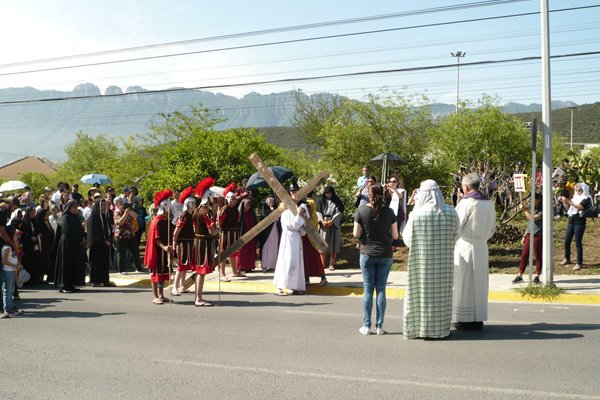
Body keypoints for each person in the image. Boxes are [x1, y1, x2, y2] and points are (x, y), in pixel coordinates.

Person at [402, 180, 459, 339]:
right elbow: (457, 234)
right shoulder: (451, 212)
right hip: (443, 263)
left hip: (421, 263)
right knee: (441, 296)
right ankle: (439, 329)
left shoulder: (417, 214)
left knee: (419, 294)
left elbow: (407, 240)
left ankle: (419, 329)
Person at [453, 173, 496, 331]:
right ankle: (478, 318)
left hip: (465, 245)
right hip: (482, 246)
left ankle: (464, 319)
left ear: (465, 187)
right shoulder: (489, 203)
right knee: (479, 283)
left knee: (465, 283)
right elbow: (492, 228)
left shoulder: (466, 203)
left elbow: (457, 225)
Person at [353, 183, 398, 335]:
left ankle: (366, 326)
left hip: (367, 254)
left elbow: (355, 234)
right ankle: (379, 326)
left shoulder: (361, 210)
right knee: (381, 290)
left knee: (367, 290)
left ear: (369, 195)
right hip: (385, 254)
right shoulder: (390, 212)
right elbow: (396, 235)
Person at [273, 181, 308, 296]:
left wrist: (302, 215)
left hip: (296, 238)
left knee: (296, 262)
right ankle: (280, 286)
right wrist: (299, 215)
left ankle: (295, 286)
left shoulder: (298, 209)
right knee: (286, 261)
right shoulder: (285, 212)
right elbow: (293, 225)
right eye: (292, 191)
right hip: (288, 238)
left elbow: (302, 227)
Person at [144, 189, 173, 304]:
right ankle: (155, 296)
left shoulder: (167, 220)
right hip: (157, 251)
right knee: (155, 275)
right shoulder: (157, 221)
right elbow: (156, 239)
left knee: (163, 274)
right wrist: (164, 247)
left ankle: (161, 295)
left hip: (165, 251)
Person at [192, 178, 219, 306]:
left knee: (199, 272)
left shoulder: (197, 210)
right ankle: (198, 299)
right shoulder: (206, 213)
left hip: (197, 242)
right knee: (201, 273)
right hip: (204, 244)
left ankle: (198, 297)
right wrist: (219, 229)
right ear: (208, 197)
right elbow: (212, 232)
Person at [559, 182, 593, 271]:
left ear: (584, 190)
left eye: (580, 190)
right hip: (571, 220)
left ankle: (579, 262)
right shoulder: (575, 198)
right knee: (567, 240)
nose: (578, 192)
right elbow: (569, 210)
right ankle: (567, 258)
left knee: (578, 242)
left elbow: (579, 207)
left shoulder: (586, 198)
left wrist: (568, 201)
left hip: (579, 222)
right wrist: (564, 202)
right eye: (576, 190)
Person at [54, 200, 86, 293]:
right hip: (67, 245)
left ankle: (71, 284)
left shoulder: (75, 217)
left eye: (76, 207)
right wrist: (78, 238)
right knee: (66, 264)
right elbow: (67, 231)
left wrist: (83, 237)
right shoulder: (65, 218)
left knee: (74, 265)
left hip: (75, 245)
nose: (76, 209)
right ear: (69, 208)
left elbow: (80, 229)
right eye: (73, 207)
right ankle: (64, 285)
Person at [512, 193, 543, 284]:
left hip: (538, 235)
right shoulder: (533, 209)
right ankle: (520, 274)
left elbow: (532, 218)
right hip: (529, 234)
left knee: (538, 256)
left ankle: (537, 275)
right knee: (524, 255)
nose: (532, 202)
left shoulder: (543, 209)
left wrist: (524, 210)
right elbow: (530, 223)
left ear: (539, 199)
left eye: (534, 199)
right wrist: (524, 235)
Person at [172, 187, 196, 295]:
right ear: (189, 204)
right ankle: (174, 287)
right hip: (182, 244)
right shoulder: (183, 216)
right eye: (193, 203)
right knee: (181, 266)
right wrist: (174, 243)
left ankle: (182, 286)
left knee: (185, 266)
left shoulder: (190, 216)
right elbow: (176, 231)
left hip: (189, 243)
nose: (195, 205)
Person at [218, 183, 244, 282]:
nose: (234, 200)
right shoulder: (224, 209)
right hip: (225, 233)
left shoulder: (236, 210)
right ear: (228, 199)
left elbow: (237, 220)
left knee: (232, 253)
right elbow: (219, 222)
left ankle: (234, 272)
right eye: (232, 199)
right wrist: (220, 233)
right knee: (224, 253)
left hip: (234, 232)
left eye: (234, 198)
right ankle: (222, 274)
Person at [87, 198, 113, 287]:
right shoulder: (93, 217)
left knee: (104, 263)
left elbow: (108, 229)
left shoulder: (105, 216)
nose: (103, 206)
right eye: (102, 205)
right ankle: (95, 281)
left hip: (105, 244)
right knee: (96, 263)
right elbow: (94, 231)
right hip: (96, 244)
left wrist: (109, 239)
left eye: (105, 205)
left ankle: (105, 280)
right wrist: (104, 240)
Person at [317, 185, 344, 272]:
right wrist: (321, 220)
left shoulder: (337, 201)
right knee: (322, 244)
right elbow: (318, 211)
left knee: (333, 244)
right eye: (327, 193)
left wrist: (332, 221)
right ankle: (322, 263)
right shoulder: (321, 201)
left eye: (330, 193)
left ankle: (332, 263)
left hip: (333, 223)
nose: (328, 195)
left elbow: (339, 211)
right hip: (323, 222)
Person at [113, 197, 142, 274]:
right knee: (121, 253)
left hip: (130, 234)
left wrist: (129, 211)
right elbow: (120, 222)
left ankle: (139, 267)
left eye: (122, 202)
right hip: (121, 235)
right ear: (116, 205)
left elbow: (135, 216)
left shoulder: (128, 210)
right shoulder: (117, 212)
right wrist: (125, 214)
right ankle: (121, 270)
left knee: (135, 251)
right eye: (119, 203)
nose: (121, 204)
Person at [303, 191, 327, 286]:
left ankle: (323, 277)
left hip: (310, 234)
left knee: (315, 258)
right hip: (305, 235)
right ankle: (306, 278)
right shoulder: (309, 203)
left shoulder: (310, 203)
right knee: (305, 258)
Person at [2, 225, 24, 317]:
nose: (17, 237)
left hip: (12, 270)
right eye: (15, 235)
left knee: (11, 290)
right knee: (7, 290)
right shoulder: (7, 248)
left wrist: (18, 265)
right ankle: (7, 309)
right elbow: (5, 261)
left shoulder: (13, 247)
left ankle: (11, 307)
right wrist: (16, 265)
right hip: (8, 271)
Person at [236, 198, 258, 273]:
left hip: (251, 235)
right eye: (246, 204)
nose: (248, 206)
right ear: (243, 205)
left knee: (250, 251)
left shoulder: (251, 213)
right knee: (242, 252)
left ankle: (249, 267)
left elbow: (255, 223)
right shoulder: (239, 213)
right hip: (243, 235)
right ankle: (241, 267)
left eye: (249, 205)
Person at [259, 197, 280, 272]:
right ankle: (265, 265)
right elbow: (266, 218)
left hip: (274, 230)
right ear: (266, 202)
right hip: (266, 232)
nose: (271, 203)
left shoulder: (276, 208)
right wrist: (271, 212)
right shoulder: (264, 210)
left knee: (274, 247)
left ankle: (272, 265)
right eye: (269, 201)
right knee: (266, 247)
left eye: (272, 201)